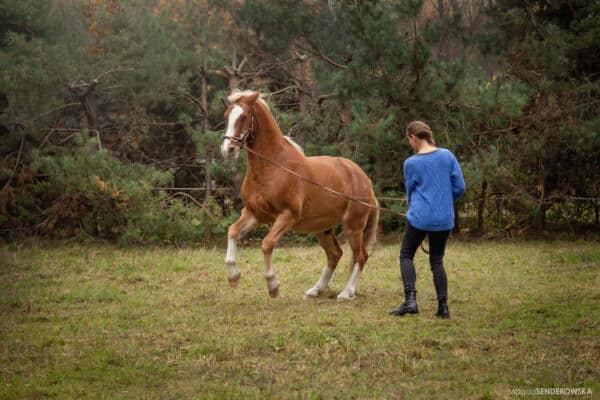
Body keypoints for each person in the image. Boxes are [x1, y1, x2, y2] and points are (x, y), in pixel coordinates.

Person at [389, 121, 465, 319]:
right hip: (444, 219)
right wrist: (445, 202)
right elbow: (460, 187)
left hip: (419, 218)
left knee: (406, 255)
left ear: (413, 138)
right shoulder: (448, 156)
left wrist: (416, 208)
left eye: (409, 140)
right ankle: (443, 307)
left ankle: (410, 301)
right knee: (437, 261)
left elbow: (410, 191)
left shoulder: (411, 163)